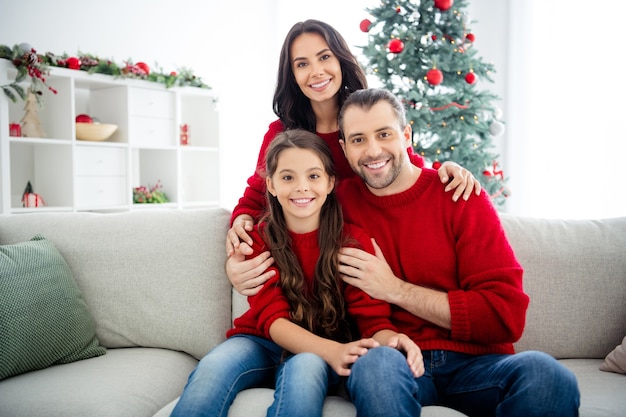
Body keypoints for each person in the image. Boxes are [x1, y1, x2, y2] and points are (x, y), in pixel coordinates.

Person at [330, 87, 579, 417]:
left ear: (406, 134)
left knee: (547, 374)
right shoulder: (338, 205)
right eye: (359, 139)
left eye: (384, 134)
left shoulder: (459, 195)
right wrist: (244, 231)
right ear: (345, 149)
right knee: (376, 365)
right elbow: (282, 199)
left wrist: (395, 290)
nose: (373, 150)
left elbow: (504, 315)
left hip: (478, 366)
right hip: (397, 361)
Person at [171, 129, 423, 417]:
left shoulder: (352, 242)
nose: (302, 187)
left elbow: (372, 319)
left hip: (323, 346)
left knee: (305, 366)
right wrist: (331, 351)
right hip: (261, 341)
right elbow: (273, 321)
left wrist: (392, 340)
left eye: (313, 176)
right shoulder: (258, 240)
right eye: (288, 177)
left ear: (330, 183)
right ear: (272, 185)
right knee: (213, 368)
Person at [226, 19, 482, 286]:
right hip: (307, 269)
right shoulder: (281, 133)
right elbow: (255, 199)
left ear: (340, 60)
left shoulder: (364, 117)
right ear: (292, 75)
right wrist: (240, 231)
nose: (316, 72)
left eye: (324, 57)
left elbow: (406, 173)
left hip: (361, 263)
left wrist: (447, 170)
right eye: (302, 64)